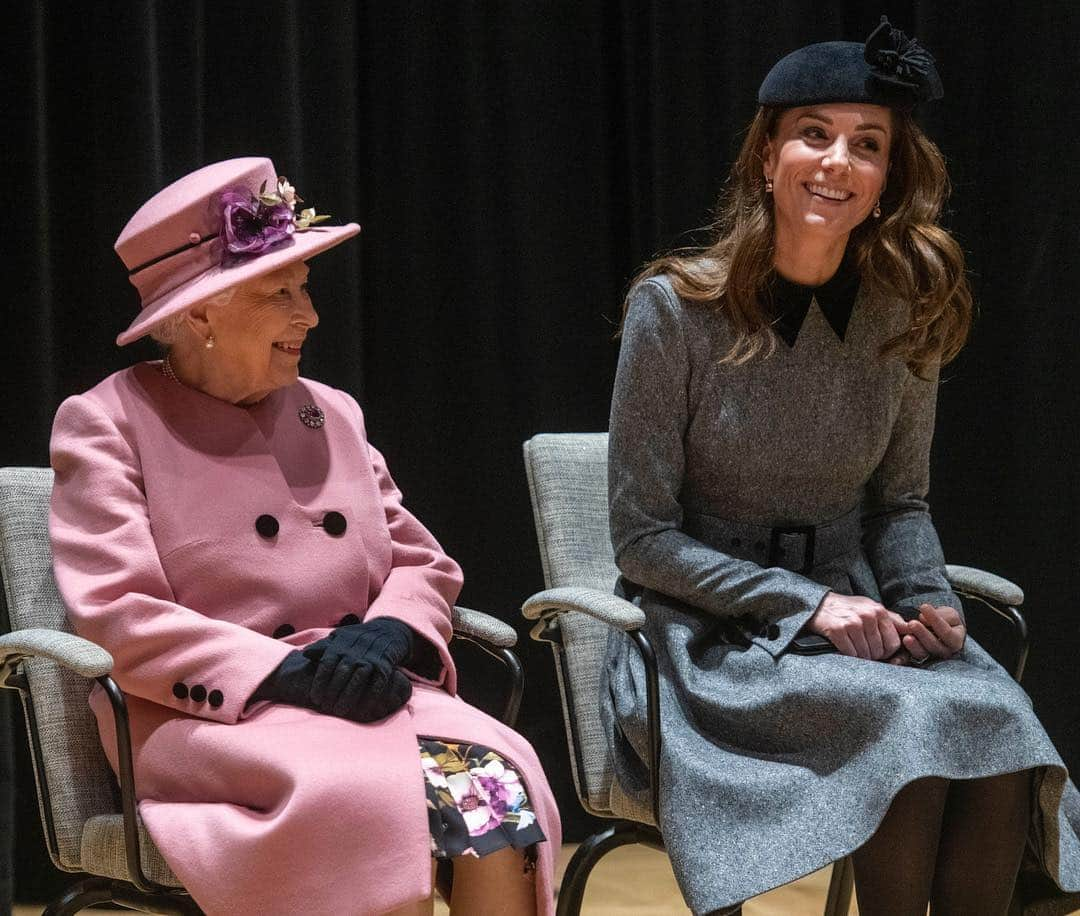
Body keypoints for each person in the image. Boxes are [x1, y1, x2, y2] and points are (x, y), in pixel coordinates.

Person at [600, 18, 1080, 916]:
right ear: (768, 152)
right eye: (814, 133)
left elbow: (900, 502)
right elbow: (641, 541)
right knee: (913, 723)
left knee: (1001, 725)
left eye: (868, 145)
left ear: (890, 175)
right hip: (718, 641)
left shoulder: (907, 308)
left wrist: (925, 598)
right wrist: (806, 603)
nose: (837, 162)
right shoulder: (673, 311)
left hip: (863, 614)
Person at [48, 157, 560, 916]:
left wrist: (387, 634)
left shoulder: (332, 411)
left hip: (370, 691)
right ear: (200, 315)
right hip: (213, 720)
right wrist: (282, 675)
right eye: (278, 292)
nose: (309, 316)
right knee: (369, 803)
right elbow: (120, 612)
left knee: (494, 792)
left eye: (305, 287)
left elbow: (420, 560)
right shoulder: (107, 423)